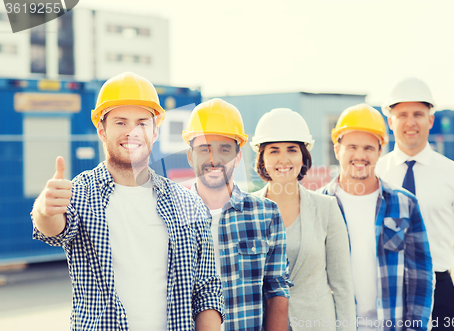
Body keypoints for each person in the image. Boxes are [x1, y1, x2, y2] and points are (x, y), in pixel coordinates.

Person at [31, 72, 224, 331]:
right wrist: (45, 208)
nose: (132, 132)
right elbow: (54, 228)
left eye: (142, 123)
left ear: (155, 131)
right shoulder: (80, 193)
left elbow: (207, 289)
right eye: (121, 122)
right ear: (102, 129)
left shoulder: (188, 203)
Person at [377, 77, 454, 331]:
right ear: (390, 121)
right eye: (402, 115)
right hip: (385, 292)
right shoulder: (375, 174)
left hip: (440, 294)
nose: (410, 122)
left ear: (431, 119)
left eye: (418, 114)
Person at [319, 103, 434, 331]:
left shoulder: (405, 203)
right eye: (351, 146)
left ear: (380, 151)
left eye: (368, 148)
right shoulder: (317, 206)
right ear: (337, 149)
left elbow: (421, 277)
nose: (360, 155)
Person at [182, 98, 292, 331]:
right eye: (205, 149)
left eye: (224, 149)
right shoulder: (172, 215)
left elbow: (277, 288)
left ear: (238, 156)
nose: (214, 159)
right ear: (190, 156)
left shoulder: (266, 214)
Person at [250, 108, 356, 331]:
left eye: (292, 150)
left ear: (303, 156)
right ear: (262, 158)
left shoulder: (326, 208)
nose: (283, 159)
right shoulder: (246, 211)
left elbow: (342, 286)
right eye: (274, 151)